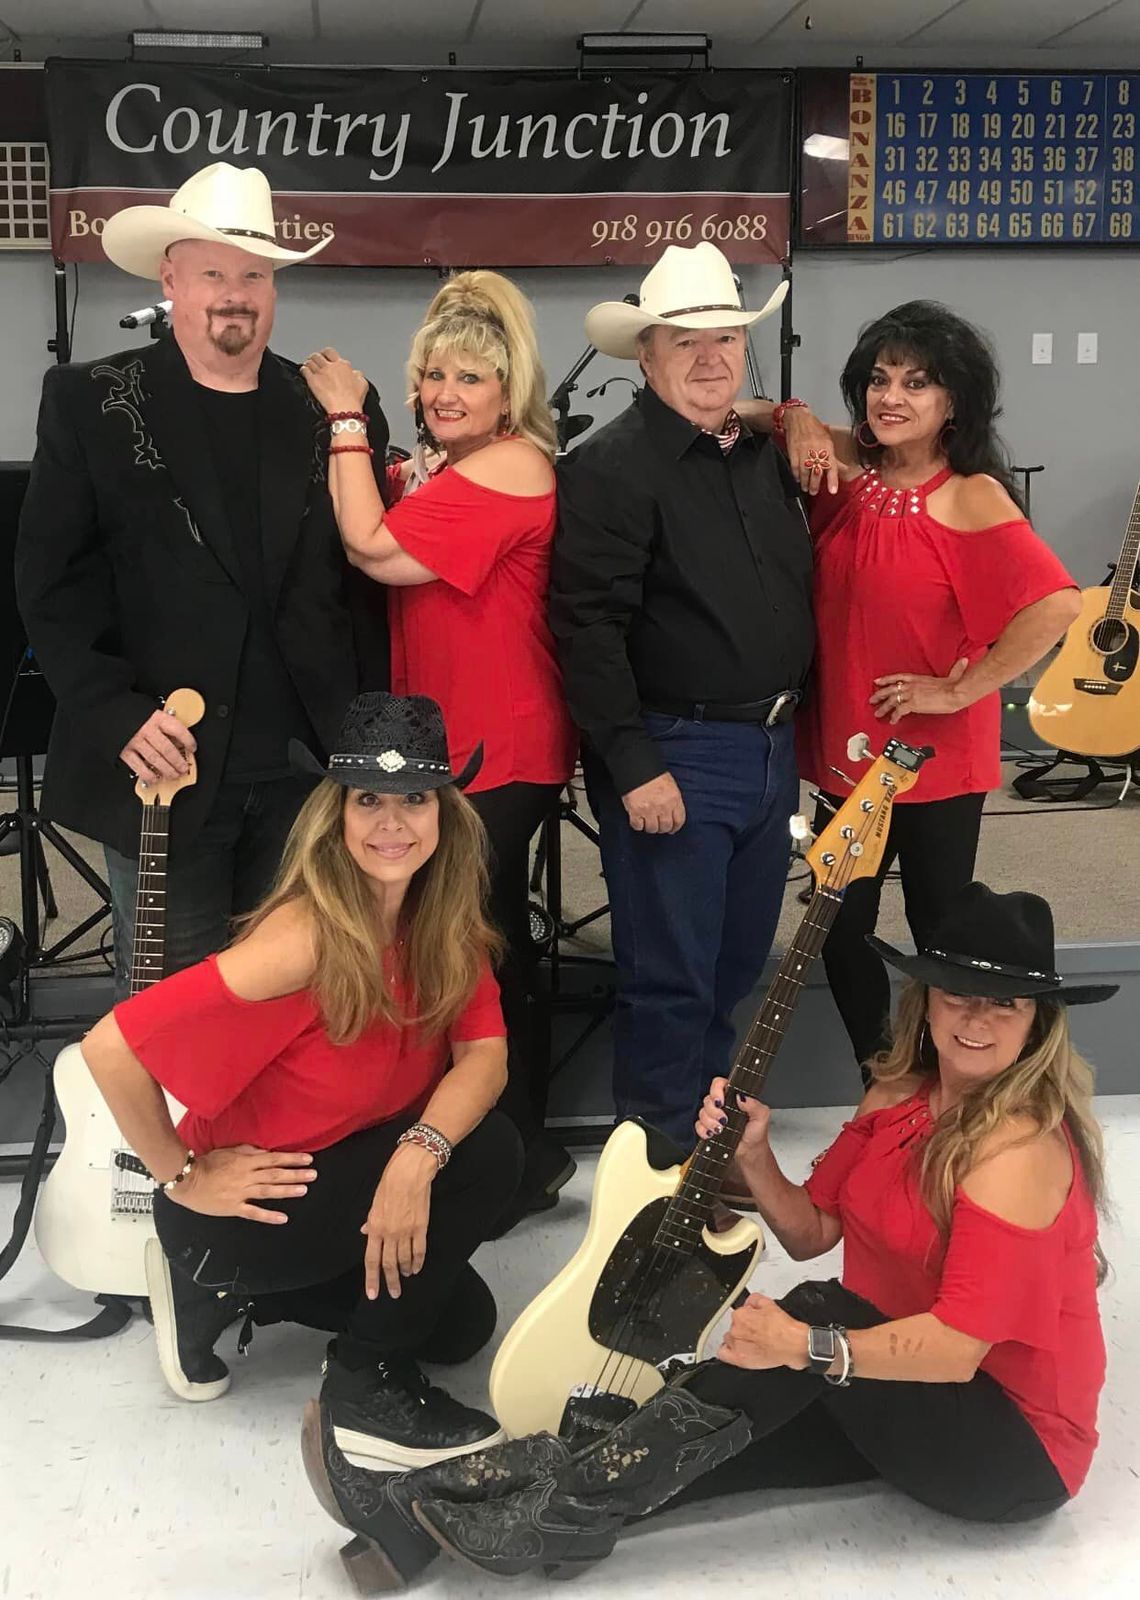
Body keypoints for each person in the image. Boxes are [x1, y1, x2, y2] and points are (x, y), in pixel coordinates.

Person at [300, 882, 1114, 1585]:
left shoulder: (1017, 1151)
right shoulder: (897, 1096)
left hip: (1006, 1445)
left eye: (1004, 1004)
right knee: (685, 1439)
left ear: (1038, 1023)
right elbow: (812, 1229)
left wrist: (805, 1346)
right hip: (887, 1379)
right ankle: (426, 1518)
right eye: (958, 994)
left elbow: (958, 1351)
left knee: (806, 1321)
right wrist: (754, 1154)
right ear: (925, 1000)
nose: (976, 1019)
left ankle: (490, 1515)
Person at [80, 692, 523, 1465]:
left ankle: (226, 1297)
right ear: (336, 814)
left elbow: (485, 1054)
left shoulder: (441, 918)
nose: (392, 822)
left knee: (461, 1328)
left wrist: (415, 1157)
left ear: (445, 814)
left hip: (345, 1171)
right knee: (491, 1155)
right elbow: (109, 1047)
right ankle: (360, 1390)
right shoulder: (304, 938)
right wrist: (181, 1177)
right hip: (247, 1210)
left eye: (416, 799)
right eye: (368, 800)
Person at [16, 162, 389, 995]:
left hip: (304, 775)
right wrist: (114, 712)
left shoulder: (332, 410)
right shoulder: (89, 401)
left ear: (274, 289)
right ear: (170, 279)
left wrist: (365, 743)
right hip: (161, 765)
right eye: (213, 273)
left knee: (290, 999)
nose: (234, 295)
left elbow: (362, 591)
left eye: (253, 275)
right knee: (172, 1010)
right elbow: (50, 582)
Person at [298, 271, 578, 1226]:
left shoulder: (512, 466)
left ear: (508, 392)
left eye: (470, 377)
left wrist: (346, 419)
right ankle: (507, 1150)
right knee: (478, 938)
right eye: (434, 375)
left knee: (482, 944)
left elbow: (372, 548)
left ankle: (519, 1154)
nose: (445, 393)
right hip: (459, 741)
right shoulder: (456, 468)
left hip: (499, 743)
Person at [739, 301, 1081, 1074]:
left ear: (953, 400)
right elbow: (738, 410)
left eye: (917, 383)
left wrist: (962, 691)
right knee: (839, 925)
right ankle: (880, 1077)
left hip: (934, 756)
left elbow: (1059, 604)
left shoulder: (970, 494)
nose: (890, 397)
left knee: (940, 930)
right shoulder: (848, 464)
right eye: (879, 379)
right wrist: (796, 416)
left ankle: (947, 1081)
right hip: (847, 744)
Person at [550, 241, 812, 1147]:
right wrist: (633, 764)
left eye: (727, 337)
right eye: (686, 340)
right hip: (676, 751)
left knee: (735, 967)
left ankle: (702, 1147)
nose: (711, 357)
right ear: (646, 354)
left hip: (770, 748)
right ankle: (657, 1170)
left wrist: (794, 418)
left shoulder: (762, 455)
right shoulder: (609, 467)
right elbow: (587, 628)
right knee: (671, 979)